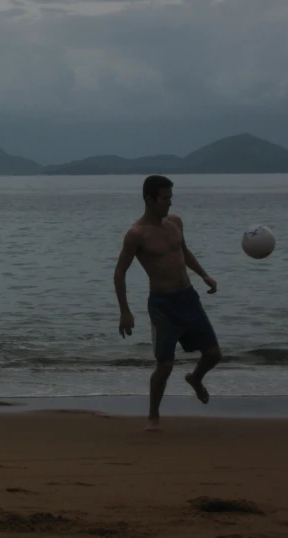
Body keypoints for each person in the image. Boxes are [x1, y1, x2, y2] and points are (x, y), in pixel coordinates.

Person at [113, 175, 222, 430]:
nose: (169, 204)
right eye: (165, 199)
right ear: (149, 199)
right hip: (163, 304)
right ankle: (153, 417)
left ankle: (195, 378)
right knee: (165, 365)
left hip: (188, 297)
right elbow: (119, 272)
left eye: (171, 197)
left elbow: (183, 252)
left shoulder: (175, 223)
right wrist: (124, 311)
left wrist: (204, 274)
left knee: (214, 355)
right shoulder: (136, 234)